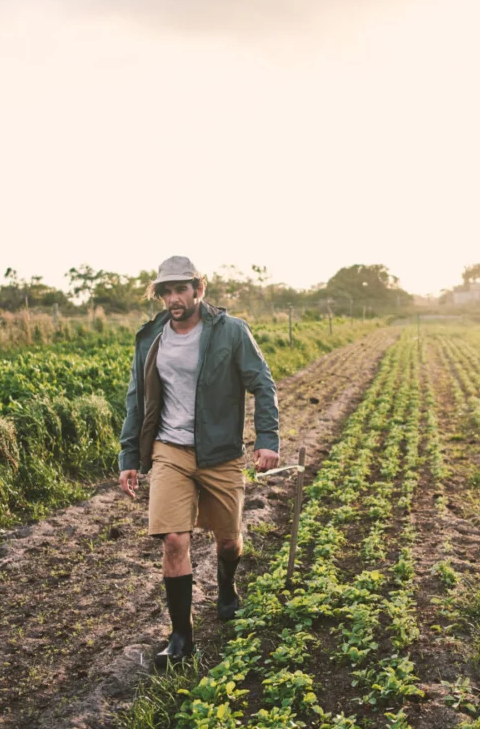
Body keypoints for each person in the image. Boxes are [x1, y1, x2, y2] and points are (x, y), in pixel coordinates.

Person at [118, 255, 280, 668]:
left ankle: (227, 588)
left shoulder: (231, 332)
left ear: (198, 289)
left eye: (180, 290)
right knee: (173, 539)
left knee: (227, 539)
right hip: (169, 450)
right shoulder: (151, 337)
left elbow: (263, 384)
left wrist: (266, 439)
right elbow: (137, 397)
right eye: (165, 291)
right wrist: (130, 456)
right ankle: (181, 638)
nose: (173, 299)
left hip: (220, 452)